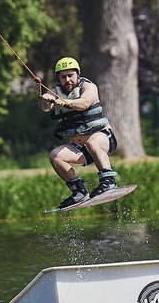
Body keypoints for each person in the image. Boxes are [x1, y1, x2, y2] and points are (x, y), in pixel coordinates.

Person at [40, 56, 118, 208]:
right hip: (81, 148)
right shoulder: (56, 92)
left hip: (103, 140)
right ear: (58, 78)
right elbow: (46, 108)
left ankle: (108, 182)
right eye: (63, 77)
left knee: (93, 142)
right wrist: (46, 99)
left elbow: (85, 103)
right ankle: (79, 191)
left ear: (78, 74)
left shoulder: (89, 87)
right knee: (55, 156)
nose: (67, 80)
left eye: (71, 75)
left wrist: (67, 102)